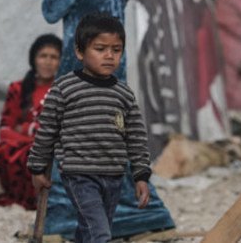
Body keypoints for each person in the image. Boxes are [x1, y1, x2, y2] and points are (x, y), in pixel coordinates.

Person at [28, 13, 151, 243]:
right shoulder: (65, 89)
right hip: (79, 175)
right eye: (100, 48)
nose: (109, 55)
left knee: (89, 229)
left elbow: (136, 138)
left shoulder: (123, 94)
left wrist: (141, 175)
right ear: (80, 52)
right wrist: (37, 168)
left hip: (113, 175)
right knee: (100, 233)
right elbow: (46, 133)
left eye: (116, 50)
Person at [0, 34, 63, 209]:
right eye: (43, 56)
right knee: (3, 150)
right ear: (34, 59)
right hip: (22, 144)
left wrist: (26, 128)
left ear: (60, 61)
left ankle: (45, 201)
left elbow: (59, 128)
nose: (48, 62)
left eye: (53, 57)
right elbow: (4, 128)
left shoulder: (63, 89)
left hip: (50, 145)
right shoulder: (18, 88)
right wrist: (33, 135)